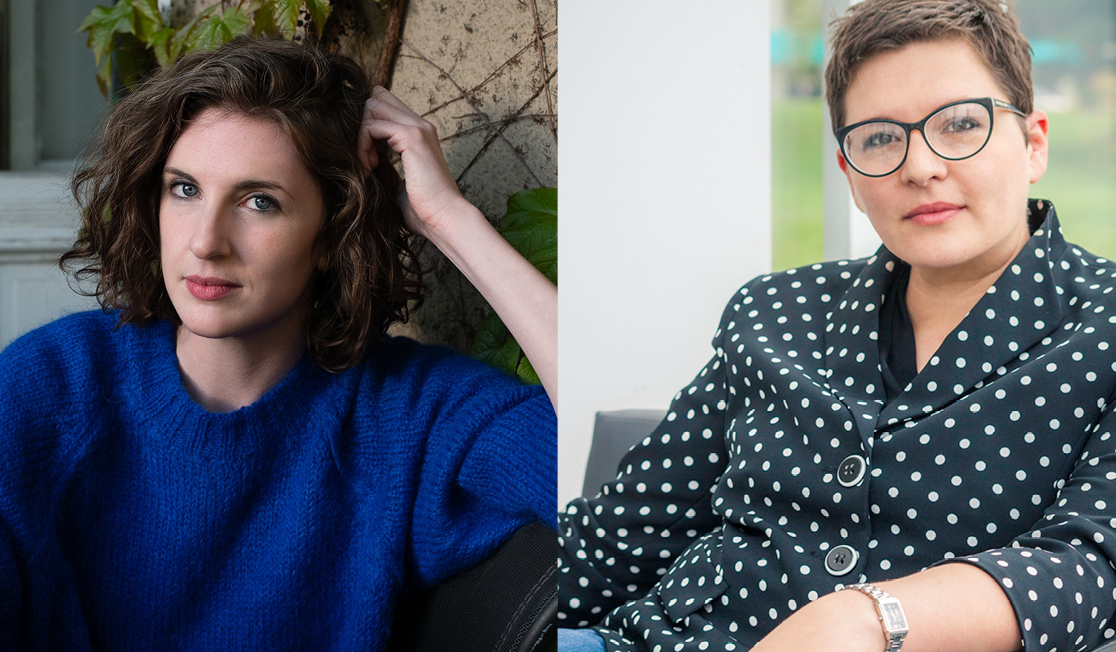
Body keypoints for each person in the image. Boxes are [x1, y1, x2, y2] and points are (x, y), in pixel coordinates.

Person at [557, 1, 1116, 651]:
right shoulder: (773, 313)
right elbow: (627, 532)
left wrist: (865, 618)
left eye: (962, 124)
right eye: (880, 137)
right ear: (851, 175)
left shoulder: (1101, 326)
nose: (920, 166)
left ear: (1033, 143)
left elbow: (1094, 563)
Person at [0, 37, 556, 649]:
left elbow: (633, 486)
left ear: (330, 235)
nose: (205, 241)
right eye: (184, 189)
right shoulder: (55, 383)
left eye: (258, 201)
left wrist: (449, 220)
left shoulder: (405, 412)